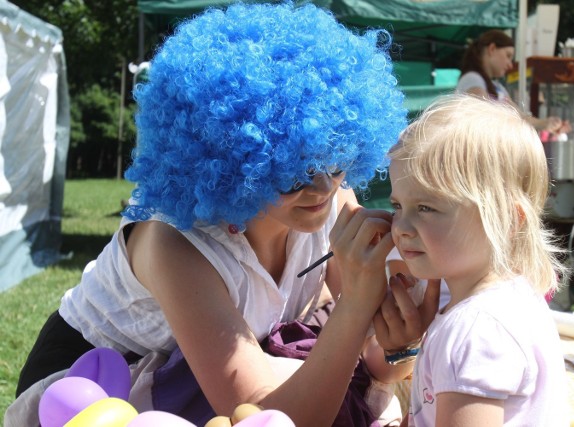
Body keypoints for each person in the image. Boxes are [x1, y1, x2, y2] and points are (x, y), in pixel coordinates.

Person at [9, 3, 419, 426]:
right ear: (236, 161)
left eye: (335, 161)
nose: (323, 187)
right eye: (292, 174)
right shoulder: (174, 244)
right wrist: (355, 305)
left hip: (216, 376)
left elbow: (375, 365)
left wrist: (401, 342)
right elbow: (270, 417)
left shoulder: (332, 198)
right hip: (95, 386)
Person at [372, 94, 570, 426]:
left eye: (426, 208)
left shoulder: (474, 329)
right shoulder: (516, 298)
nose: (401, 228)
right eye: (398, 206)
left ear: (507, 219)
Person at [457, 29, 571, 134]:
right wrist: (541, 124)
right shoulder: (472, 78)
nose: (510, 65)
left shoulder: (497, 87)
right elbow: (484, 115)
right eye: (508, 56)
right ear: (492, 49)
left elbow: (519, 117)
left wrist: (546, 124)